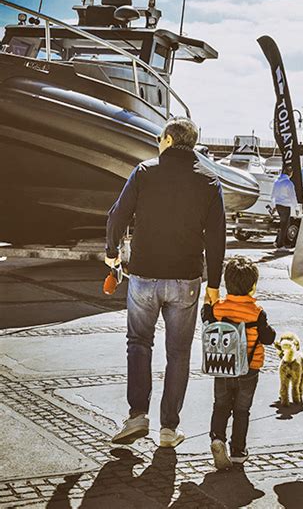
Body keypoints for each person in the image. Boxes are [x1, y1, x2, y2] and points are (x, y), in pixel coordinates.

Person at [105, 117, 226, 447]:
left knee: (138, 343)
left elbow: (117, 214)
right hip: (186, 280)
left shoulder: (145, 171)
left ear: (169, 141)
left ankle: (137, 415)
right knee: (179, 353)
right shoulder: (209, 181)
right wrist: (213, 284)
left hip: (144, 275)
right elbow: (217, 238)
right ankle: (168, 429)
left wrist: (112, 253)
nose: (158, 142)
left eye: (160, 138)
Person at [202, 256, 276, 469]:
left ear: (227, 283)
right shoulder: (257, 312)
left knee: (221, 405)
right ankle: (238, 451)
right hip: (249, 370)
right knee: (242, 410)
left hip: (222, 366)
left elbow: (206, 318)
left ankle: (217, 438)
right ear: (253, 286)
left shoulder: (219, 308)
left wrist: (209, 302)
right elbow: (268, 338)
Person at [271, 165, 298, 251]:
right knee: (284, 226)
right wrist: (296, 208)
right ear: (290, 173)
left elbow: (272, 195)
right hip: (285, 206)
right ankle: (280, 245)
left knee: (282, 224)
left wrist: (274, 206)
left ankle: (277, 242)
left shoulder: (277, 181)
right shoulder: (288, 183)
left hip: (278, 205)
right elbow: (292, 196)